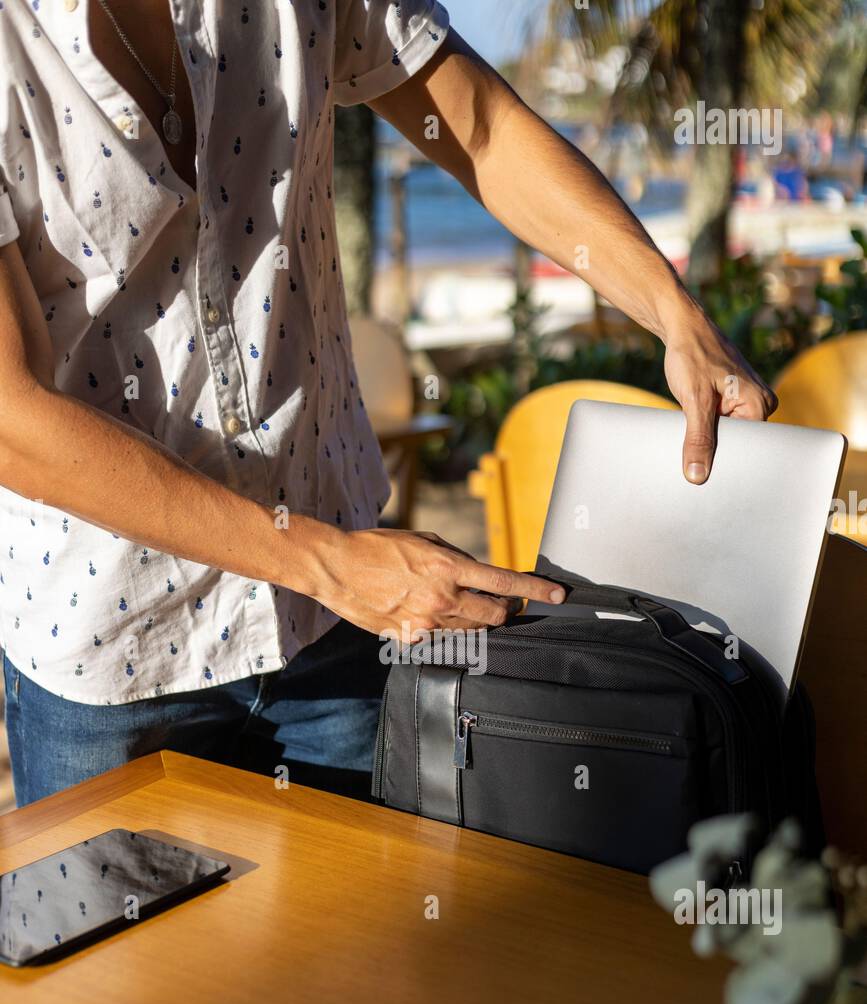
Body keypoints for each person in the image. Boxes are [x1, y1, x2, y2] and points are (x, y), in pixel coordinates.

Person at [0, 1, 776, 807]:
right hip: (114, 652)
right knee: (138, 941)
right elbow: (10, 421)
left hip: (341, 625)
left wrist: (671, 311)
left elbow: (481, 132)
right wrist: (328, 563)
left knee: (381, 931)